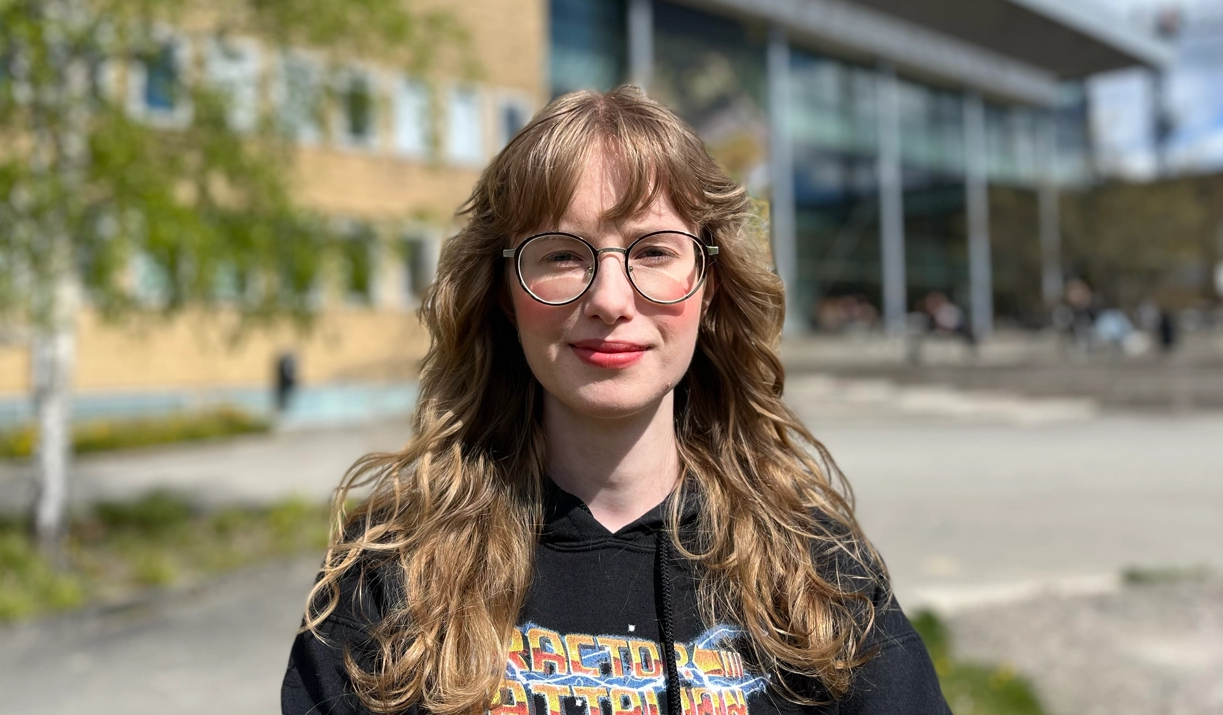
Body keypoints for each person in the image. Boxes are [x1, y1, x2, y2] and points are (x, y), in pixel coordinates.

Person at [282, 86, 948, 715]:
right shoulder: (393, 574)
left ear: (708, 285)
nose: (608, 299)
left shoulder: (814, 571)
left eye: (653, 250)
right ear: (504, 294)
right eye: (562, 256)